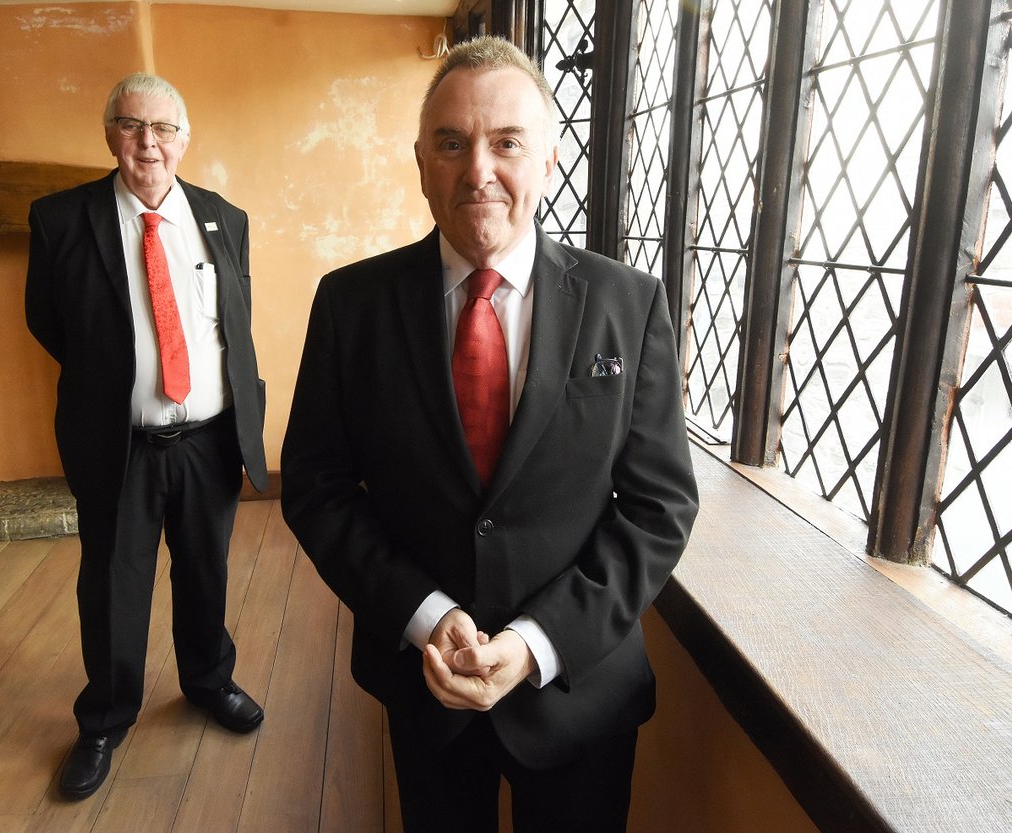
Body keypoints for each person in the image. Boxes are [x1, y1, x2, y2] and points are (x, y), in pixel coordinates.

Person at [281, 36, 699, 832]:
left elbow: (659, 506)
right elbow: (316, 486)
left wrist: (540, 640)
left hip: (578, 693)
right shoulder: (350, 306)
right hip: (423, 685)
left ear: (547, 161)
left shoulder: (629, 304)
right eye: (451, 143)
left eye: (507, 142)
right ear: (421, 163)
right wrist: (421, 610)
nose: (478, 169)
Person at [25, 72, 268, 801]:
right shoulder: (60, 219)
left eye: (163, 129)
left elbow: (233, 324)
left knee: (205, 571)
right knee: (112, 584)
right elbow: (48, 322)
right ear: (109, 135)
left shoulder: (225, 217)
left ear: (185, 139)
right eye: (132, 126)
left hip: (208, 440)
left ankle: (207, 681)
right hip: (120, 443)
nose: (148, 143)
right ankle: (104, 716)